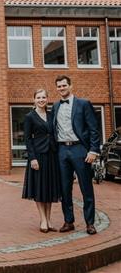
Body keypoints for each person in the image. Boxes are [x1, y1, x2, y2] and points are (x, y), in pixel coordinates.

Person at [51, 75, 100, 235]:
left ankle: (90, 223)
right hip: (62, 150)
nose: (61, 88)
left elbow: (94, 129)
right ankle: (68, 221)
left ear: (70, 86)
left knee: (86, 187)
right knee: (65, 188)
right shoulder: (56, 105)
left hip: (80, 149)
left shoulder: (83, 104)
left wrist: (93, 150)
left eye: (64, 85)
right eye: (59, 86)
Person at [21, 89, 62, 233]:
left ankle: (49, 219)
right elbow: (27, 139)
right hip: (37, 156)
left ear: (47, 99)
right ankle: (43, 219)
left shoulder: (52, 115)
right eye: (38, 97)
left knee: (49, 188)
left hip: (52, 155)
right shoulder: (29, 117)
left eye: (44, 97)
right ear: (34, 100)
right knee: (39, 188)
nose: (41, 100)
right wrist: (32, 158)